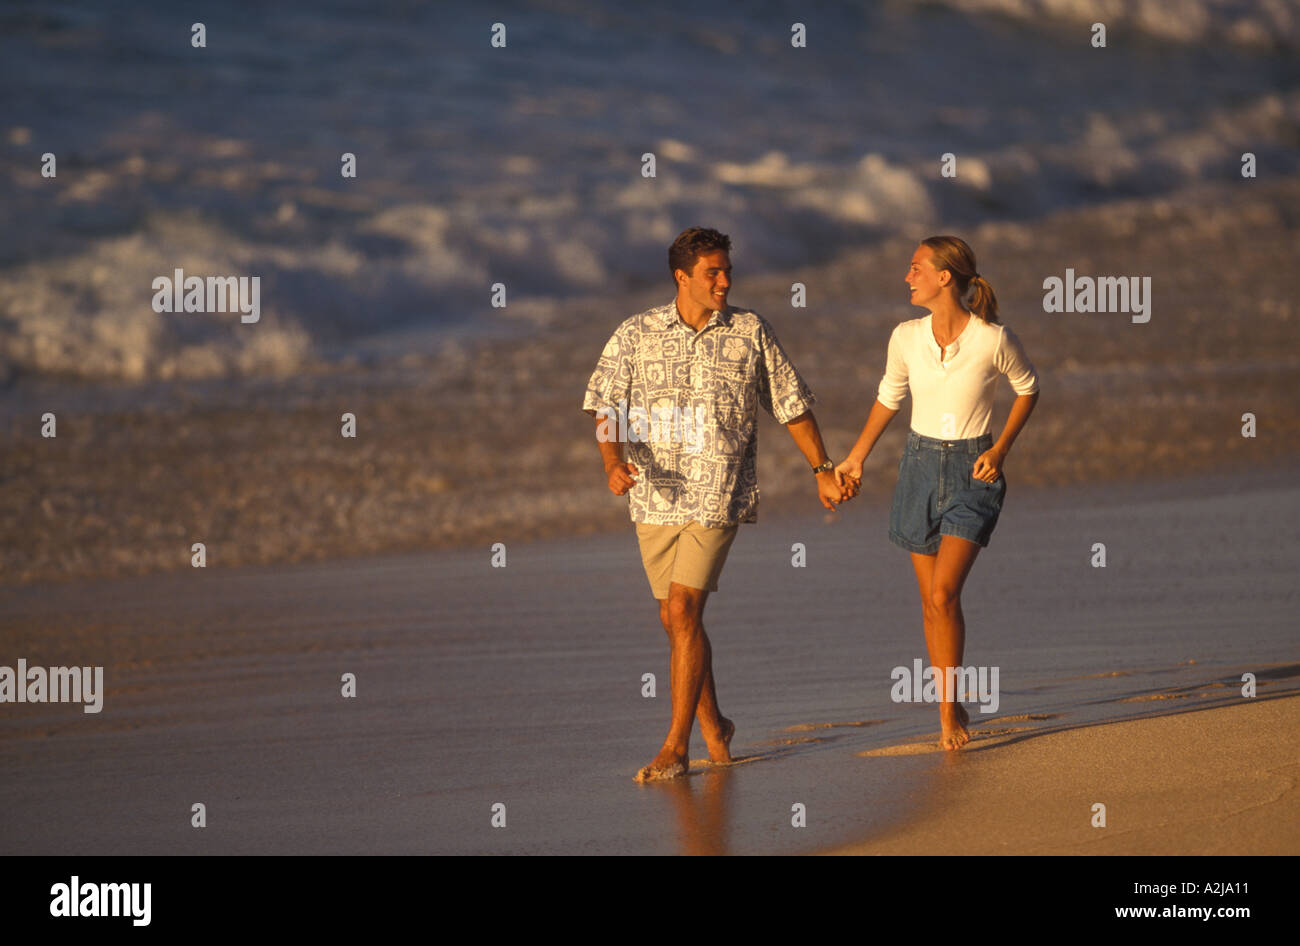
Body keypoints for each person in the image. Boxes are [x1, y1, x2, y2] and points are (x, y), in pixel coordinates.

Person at [582, 226, 854, 782]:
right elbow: (605, 402)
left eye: (728, 270)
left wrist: (823, 470)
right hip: (653, 493)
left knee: (683, 612)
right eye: (713, 273)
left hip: (719, 488)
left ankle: (676, 746)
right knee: (674, 618)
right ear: (682, 277)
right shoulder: (636, 333)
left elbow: (791, 404)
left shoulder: (750, 330)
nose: (725, 281)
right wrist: (611, 463)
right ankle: (716, 725)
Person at [836, 236, 1039, 750]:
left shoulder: (994, 339)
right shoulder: (905, 336)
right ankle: (950, 699)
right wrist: (856, 457)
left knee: (945, 593)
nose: (908, 277)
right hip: (918, 470)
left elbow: (1027, 388)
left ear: (944, 276)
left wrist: (1000, 451)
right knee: (931, 603)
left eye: (915, 268)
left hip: (975, 470)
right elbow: (888, 397)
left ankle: (948, 713)